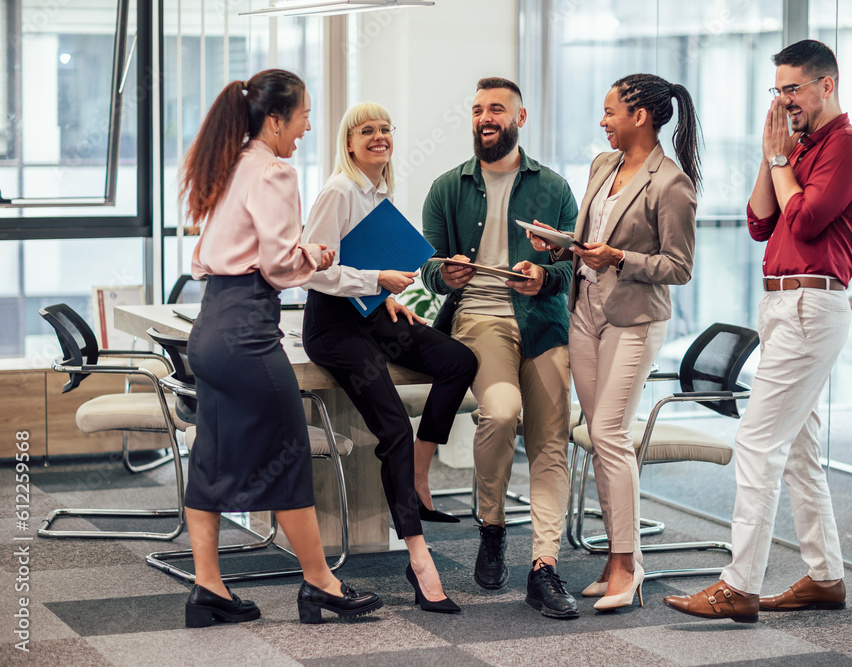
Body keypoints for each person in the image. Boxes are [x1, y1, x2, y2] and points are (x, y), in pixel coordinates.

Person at [664, 39, 852, 623]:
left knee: (757, 442)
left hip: (812, 303)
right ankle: (826, 574)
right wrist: (770, 154)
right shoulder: (798, 149)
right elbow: (761, 221)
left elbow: (806, 221)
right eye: (777, 90)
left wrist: (784, 164)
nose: (784, 100)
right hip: (783, 305)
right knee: (800, 449)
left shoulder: (849, 147)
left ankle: (740, 584)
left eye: (793, 89)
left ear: (826, 86)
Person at [180, 69, 383, 628]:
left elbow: (219, 251)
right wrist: (314, 256)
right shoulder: (273, 170)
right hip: (246, 329)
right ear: (275, 120)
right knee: (290, 452)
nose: (308, 126)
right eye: (303, 116)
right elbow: (276, 263)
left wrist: (299, 252)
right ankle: (321, 583)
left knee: (211, 458)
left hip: (210, 325)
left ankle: (209, 589)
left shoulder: (229, 163)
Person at [528, 73, 699, 611]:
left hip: (634, 319)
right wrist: (558, 249)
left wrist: (620, 258)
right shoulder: (603, 167)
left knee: (609, 431)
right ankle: (613, 561)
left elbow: (679, 267)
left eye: (610, 112)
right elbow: (588, 243)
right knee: (602, 438)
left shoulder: (671, 184)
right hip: (586, 312)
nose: (602, 122)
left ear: (640, 116)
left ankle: (629, 565)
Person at [301, 102, 477, 614]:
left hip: (373, 314)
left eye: (385, 129)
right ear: (349, 143)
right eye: (366, 131)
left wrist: (386, 295)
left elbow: (363, 264)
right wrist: (376, 281)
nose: (379, 137)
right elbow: (311, 271)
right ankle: (419, 556)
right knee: (394, 429)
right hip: (334, 328)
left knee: (458, 362)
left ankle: (421, 474)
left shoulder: (378, 191)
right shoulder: (338, 191)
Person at [420, 77, 581, 619]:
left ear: (520, 117)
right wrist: (448, 274)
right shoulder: (447, 188)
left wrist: (544, 275)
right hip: (479, 319)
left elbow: (572, 264)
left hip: (541, 323)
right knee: (501, 409)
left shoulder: (554, 188)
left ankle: (544, 565)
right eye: (477, 110)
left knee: (549, 440)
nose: (485, 118)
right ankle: (491, 525)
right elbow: (429, 270)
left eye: (496, 109)